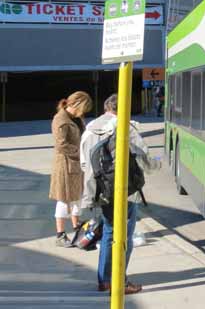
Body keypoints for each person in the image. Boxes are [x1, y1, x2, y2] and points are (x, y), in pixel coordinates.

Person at [80, 94, 161, 295]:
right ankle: (119, 281)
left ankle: (105, 280)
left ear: (106, 108)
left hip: (99, 190)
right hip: (124, 190)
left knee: (109, 232)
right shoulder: (125, 127)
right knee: (124, 237)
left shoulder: (89, 129)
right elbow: (146, 160)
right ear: (123, 109)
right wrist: (158, 162)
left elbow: (83, 163)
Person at [49, 90, 93, 247]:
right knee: (64, 199)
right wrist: (81, 154)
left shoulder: (76, 118)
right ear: (75, 105)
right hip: (65, 165)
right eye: (83, 109)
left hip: (77, 165)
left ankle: (76, 226)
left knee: (77, 197)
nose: (83, 113)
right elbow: (61, 145)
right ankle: (60, 235)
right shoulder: (60, 120)